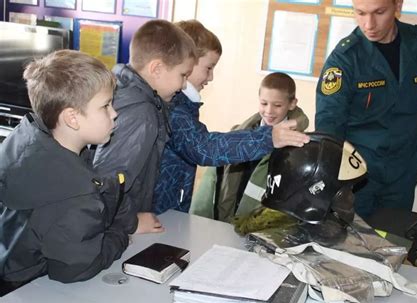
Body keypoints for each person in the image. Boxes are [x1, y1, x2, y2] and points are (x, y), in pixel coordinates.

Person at [315, 0, 417, 218]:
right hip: (357, 171)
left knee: (394, 235)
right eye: (361, 13)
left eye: (379, 12)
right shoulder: (345, 58)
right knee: (351, 240)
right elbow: (329, 122)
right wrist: (329, 176)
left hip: (403, 168)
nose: (369, 24)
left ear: (398, 6)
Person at [152, 20, 310, 215]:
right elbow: (205, 148)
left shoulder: (181, 104)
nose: (211, 78)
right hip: (156, 214)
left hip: (166, 214)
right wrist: (269, 137)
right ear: (187, 62)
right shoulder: (172, 107)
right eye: (208, 68)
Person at [0, 50, 130, 283]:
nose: (115, 113)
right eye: (105, 106)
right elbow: (77, 269)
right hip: (25, 292)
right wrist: (120, 235)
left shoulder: (26, 140)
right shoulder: (75, 197)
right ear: (72, 118)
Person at [92, 20, 197, 234]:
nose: (184, 84)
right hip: (116, 228)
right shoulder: (142, 113)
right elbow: (105, 184)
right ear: (156, 68)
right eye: (183, 75)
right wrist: (131, 222)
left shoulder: (125, 90)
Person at [190, 72, 309, 222]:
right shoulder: (238, 134)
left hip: (260, 233)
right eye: (264, 103)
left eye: (277, 105)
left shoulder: (298, 148)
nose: (269, 111)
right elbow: (208, 190)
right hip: (225, 224)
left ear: (292, 103)